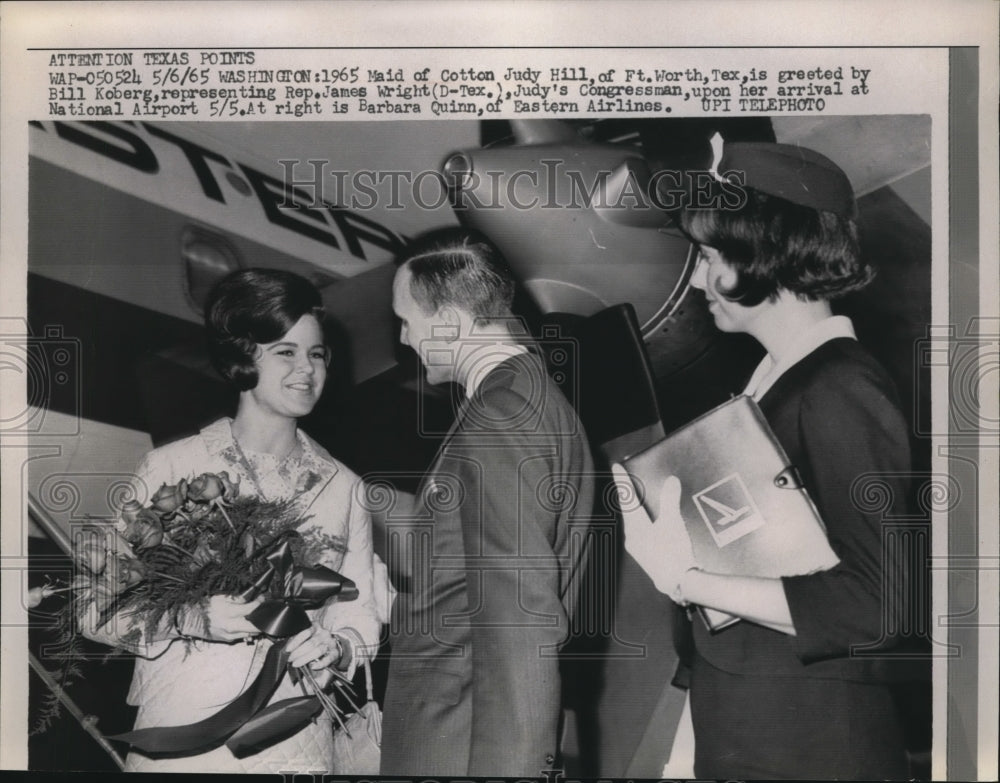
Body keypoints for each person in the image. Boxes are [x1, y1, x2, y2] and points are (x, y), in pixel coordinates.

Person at [616, 142, 912, 779]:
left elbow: (876, 606)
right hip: (756, 730)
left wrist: (685, 578)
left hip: (811, 746)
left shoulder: (841, 388)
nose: (697, 281)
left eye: (708, 257)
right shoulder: (775, 384)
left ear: (765, 251)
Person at [81, 268, 383, 774]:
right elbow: (97, 608)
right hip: (182, 742)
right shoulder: (172, 467)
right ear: (243, 357)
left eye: (316, 354)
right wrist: (191, 618)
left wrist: (338, 647)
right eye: (285, 352)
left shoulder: (345, 488)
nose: (306, 369)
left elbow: (360, 613)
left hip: (295, 745)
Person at [379, 229, 595, 777]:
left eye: (406, 320)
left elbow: (521, 623)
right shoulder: (527, 396)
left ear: (450, 321)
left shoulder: (500, 416)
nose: (403, 338)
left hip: (458, 742)